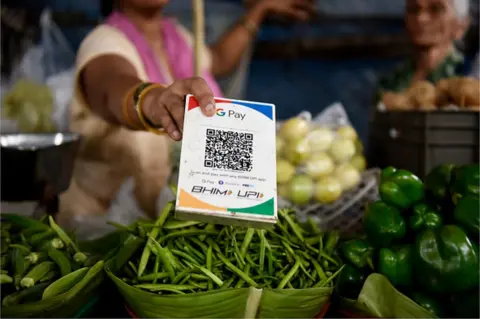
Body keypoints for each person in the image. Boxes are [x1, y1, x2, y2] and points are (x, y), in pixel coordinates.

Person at [58, 0, 314, 226]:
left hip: (159, 219)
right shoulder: (103, 43)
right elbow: (112, 89)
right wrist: (152, 101)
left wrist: (259, 9)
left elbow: (219, 59)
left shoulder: (177, 36)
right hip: (104, 227)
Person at [376, 0, 470, 97]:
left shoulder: (469, 75)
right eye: (413, 9)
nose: (421, 18)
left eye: (436, 9)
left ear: (461, 24)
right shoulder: (390, 82)